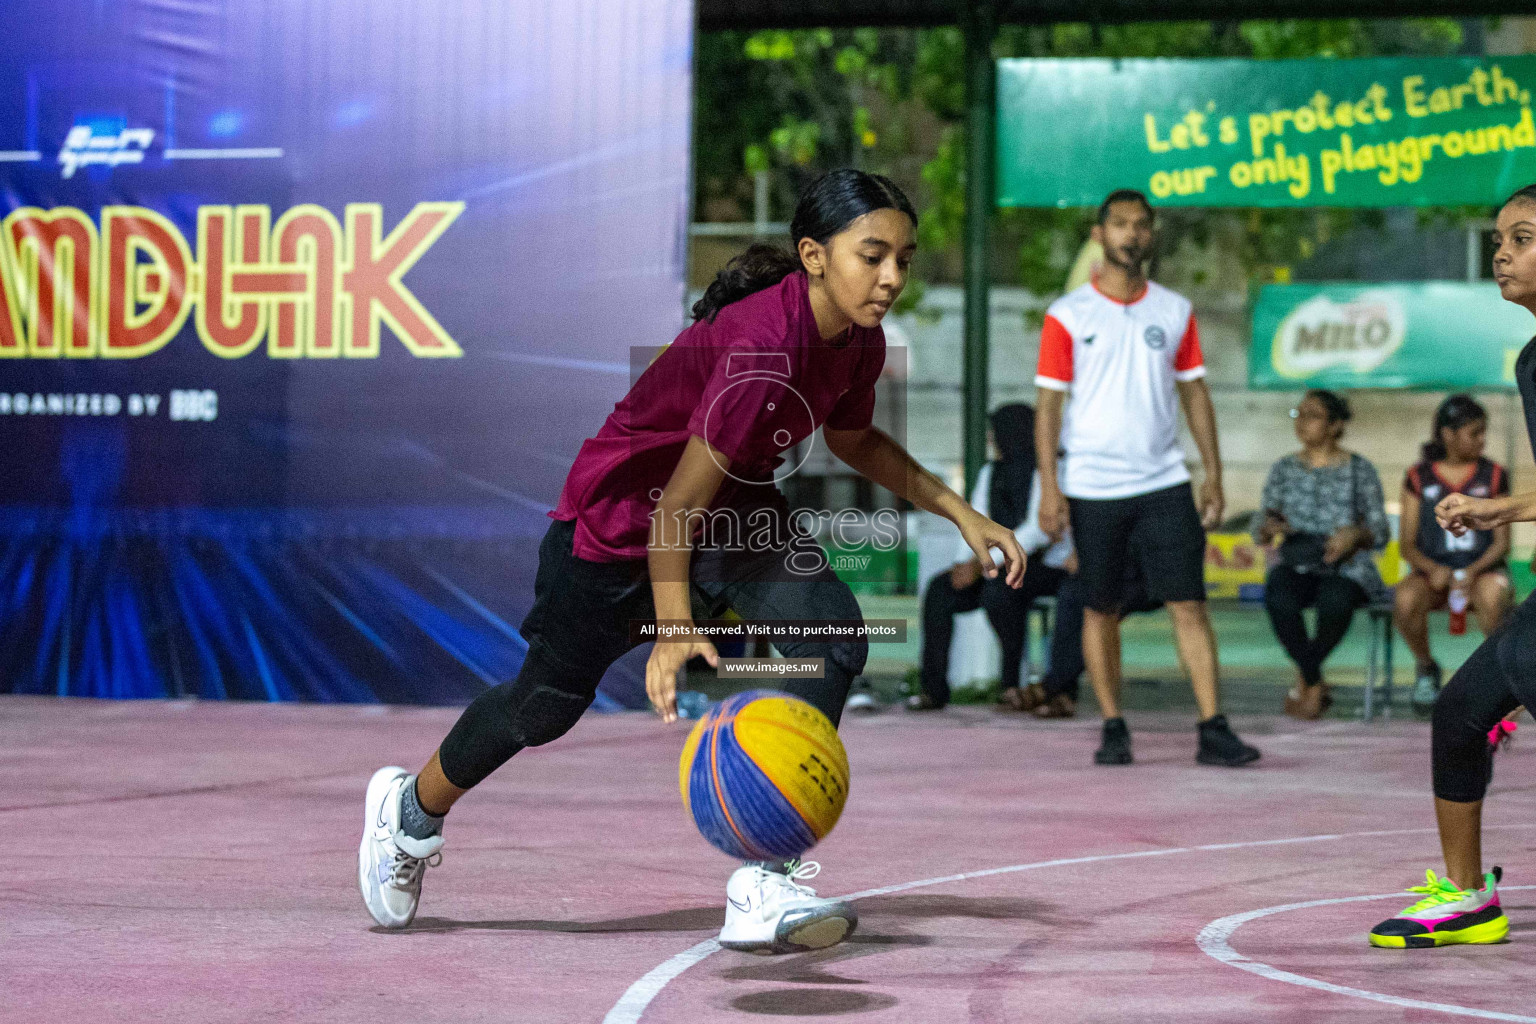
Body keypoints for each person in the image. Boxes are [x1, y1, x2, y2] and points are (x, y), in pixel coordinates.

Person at [355, 170, 1028, 954]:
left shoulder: (858, 339)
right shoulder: (763, 348)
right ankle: (409, 813)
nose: (891, 278)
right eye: (872, 255)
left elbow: (853, 437)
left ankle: (765, 880)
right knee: (544, 706)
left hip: (731, 518)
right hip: (617, 528)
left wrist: (961, 510)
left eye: (903, 260)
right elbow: (674, 505)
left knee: (835, 635)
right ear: (814, 254)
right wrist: (674, 628)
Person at [1034, 188, 1259, 768]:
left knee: (1189, 602)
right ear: (1099, 234)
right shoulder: (1067, 315)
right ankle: (1113, 725)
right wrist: (1051, 488)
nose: (1132, 234)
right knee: (1099, 607)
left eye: (1142, 225)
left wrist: (1213, 472)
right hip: (1091, 485)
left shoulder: (1175, 310)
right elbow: (1048, 408)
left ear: (1152, 235)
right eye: (1121, 224)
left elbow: (1195, 391)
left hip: (1164, 480)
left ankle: (1213, 726)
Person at [1369, 184, 1536, 949]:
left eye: (1524, 238)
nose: (1503, 253)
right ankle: (1469, 898)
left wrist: (1501, 508)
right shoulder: (1533, 358)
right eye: (1499, 239)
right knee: (1461, 714)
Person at [908, 404, 1072, 711]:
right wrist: (962, 562)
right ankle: (933, 690)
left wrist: (982, 563)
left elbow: (1037, 531)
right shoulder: (990, 472)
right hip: (996, 567)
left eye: (996, 433)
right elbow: (974, 519)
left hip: (1046, 568)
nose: (992, 440)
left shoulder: (1049, 470)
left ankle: (1011, 684)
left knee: (1001, 591)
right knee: (939, 591)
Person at [1252, 390, 1389, 719]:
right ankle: (1314, 679)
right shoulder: (1284, 469)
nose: (1301, 422)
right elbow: (1260, 521)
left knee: (1336, 602)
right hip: (1297, 560)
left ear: (1335, 425)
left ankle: (1305, 679)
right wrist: (1267, 527)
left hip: (1345, 566)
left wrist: (1354, 534)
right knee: (1279, 597)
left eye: (1311, 415)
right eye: (1297, 414)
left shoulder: (1359, 470)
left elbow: (1380, 530)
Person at [1394, 394, 1513, 717]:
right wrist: (1432, 568)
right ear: (1448, 434)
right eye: (1474, 432)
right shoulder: (1418, 477)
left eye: (1483, 432)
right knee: (1404, 599)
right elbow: (1406, 543)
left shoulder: (1494, 475)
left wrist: (1472, 571)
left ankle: (1499, 680)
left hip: (1482, 570)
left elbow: (1501, 543)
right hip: (1434, 574)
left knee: (1493, 595)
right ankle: (1427, 667)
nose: (1482, 440)